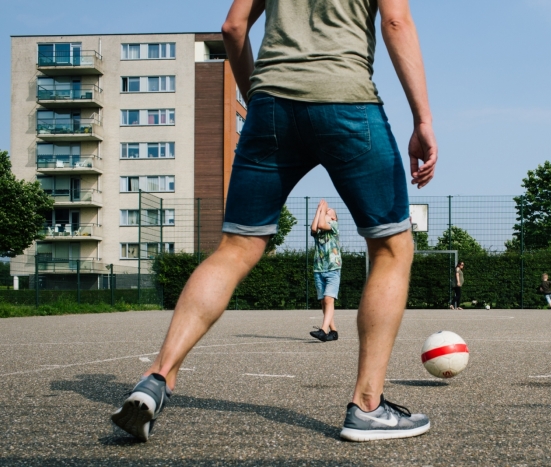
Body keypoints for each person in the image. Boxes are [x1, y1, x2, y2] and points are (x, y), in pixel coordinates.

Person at [111, 0, 437, 443]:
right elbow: (395, 21)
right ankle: (367, 406)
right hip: (346, 99)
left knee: (235, 249)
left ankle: (156, 377)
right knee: (391, 247)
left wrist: (256, 99)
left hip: (270, 106)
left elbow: (232, 27)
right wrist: (423, 120)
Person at [310, 199, 341, 342]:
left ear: (333, 218)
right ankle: (333, 331)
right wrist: (319, 210)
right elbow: (314, 228)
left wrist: (324, 209)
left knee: (329, 299)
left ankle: (323, 330)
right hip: (319, 269)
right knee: (324, 301)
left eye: (328, 212)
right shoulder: (319, 231)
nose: (325, 212)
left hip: (332, 268)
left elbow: (322, 224)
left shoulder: (333, 225)